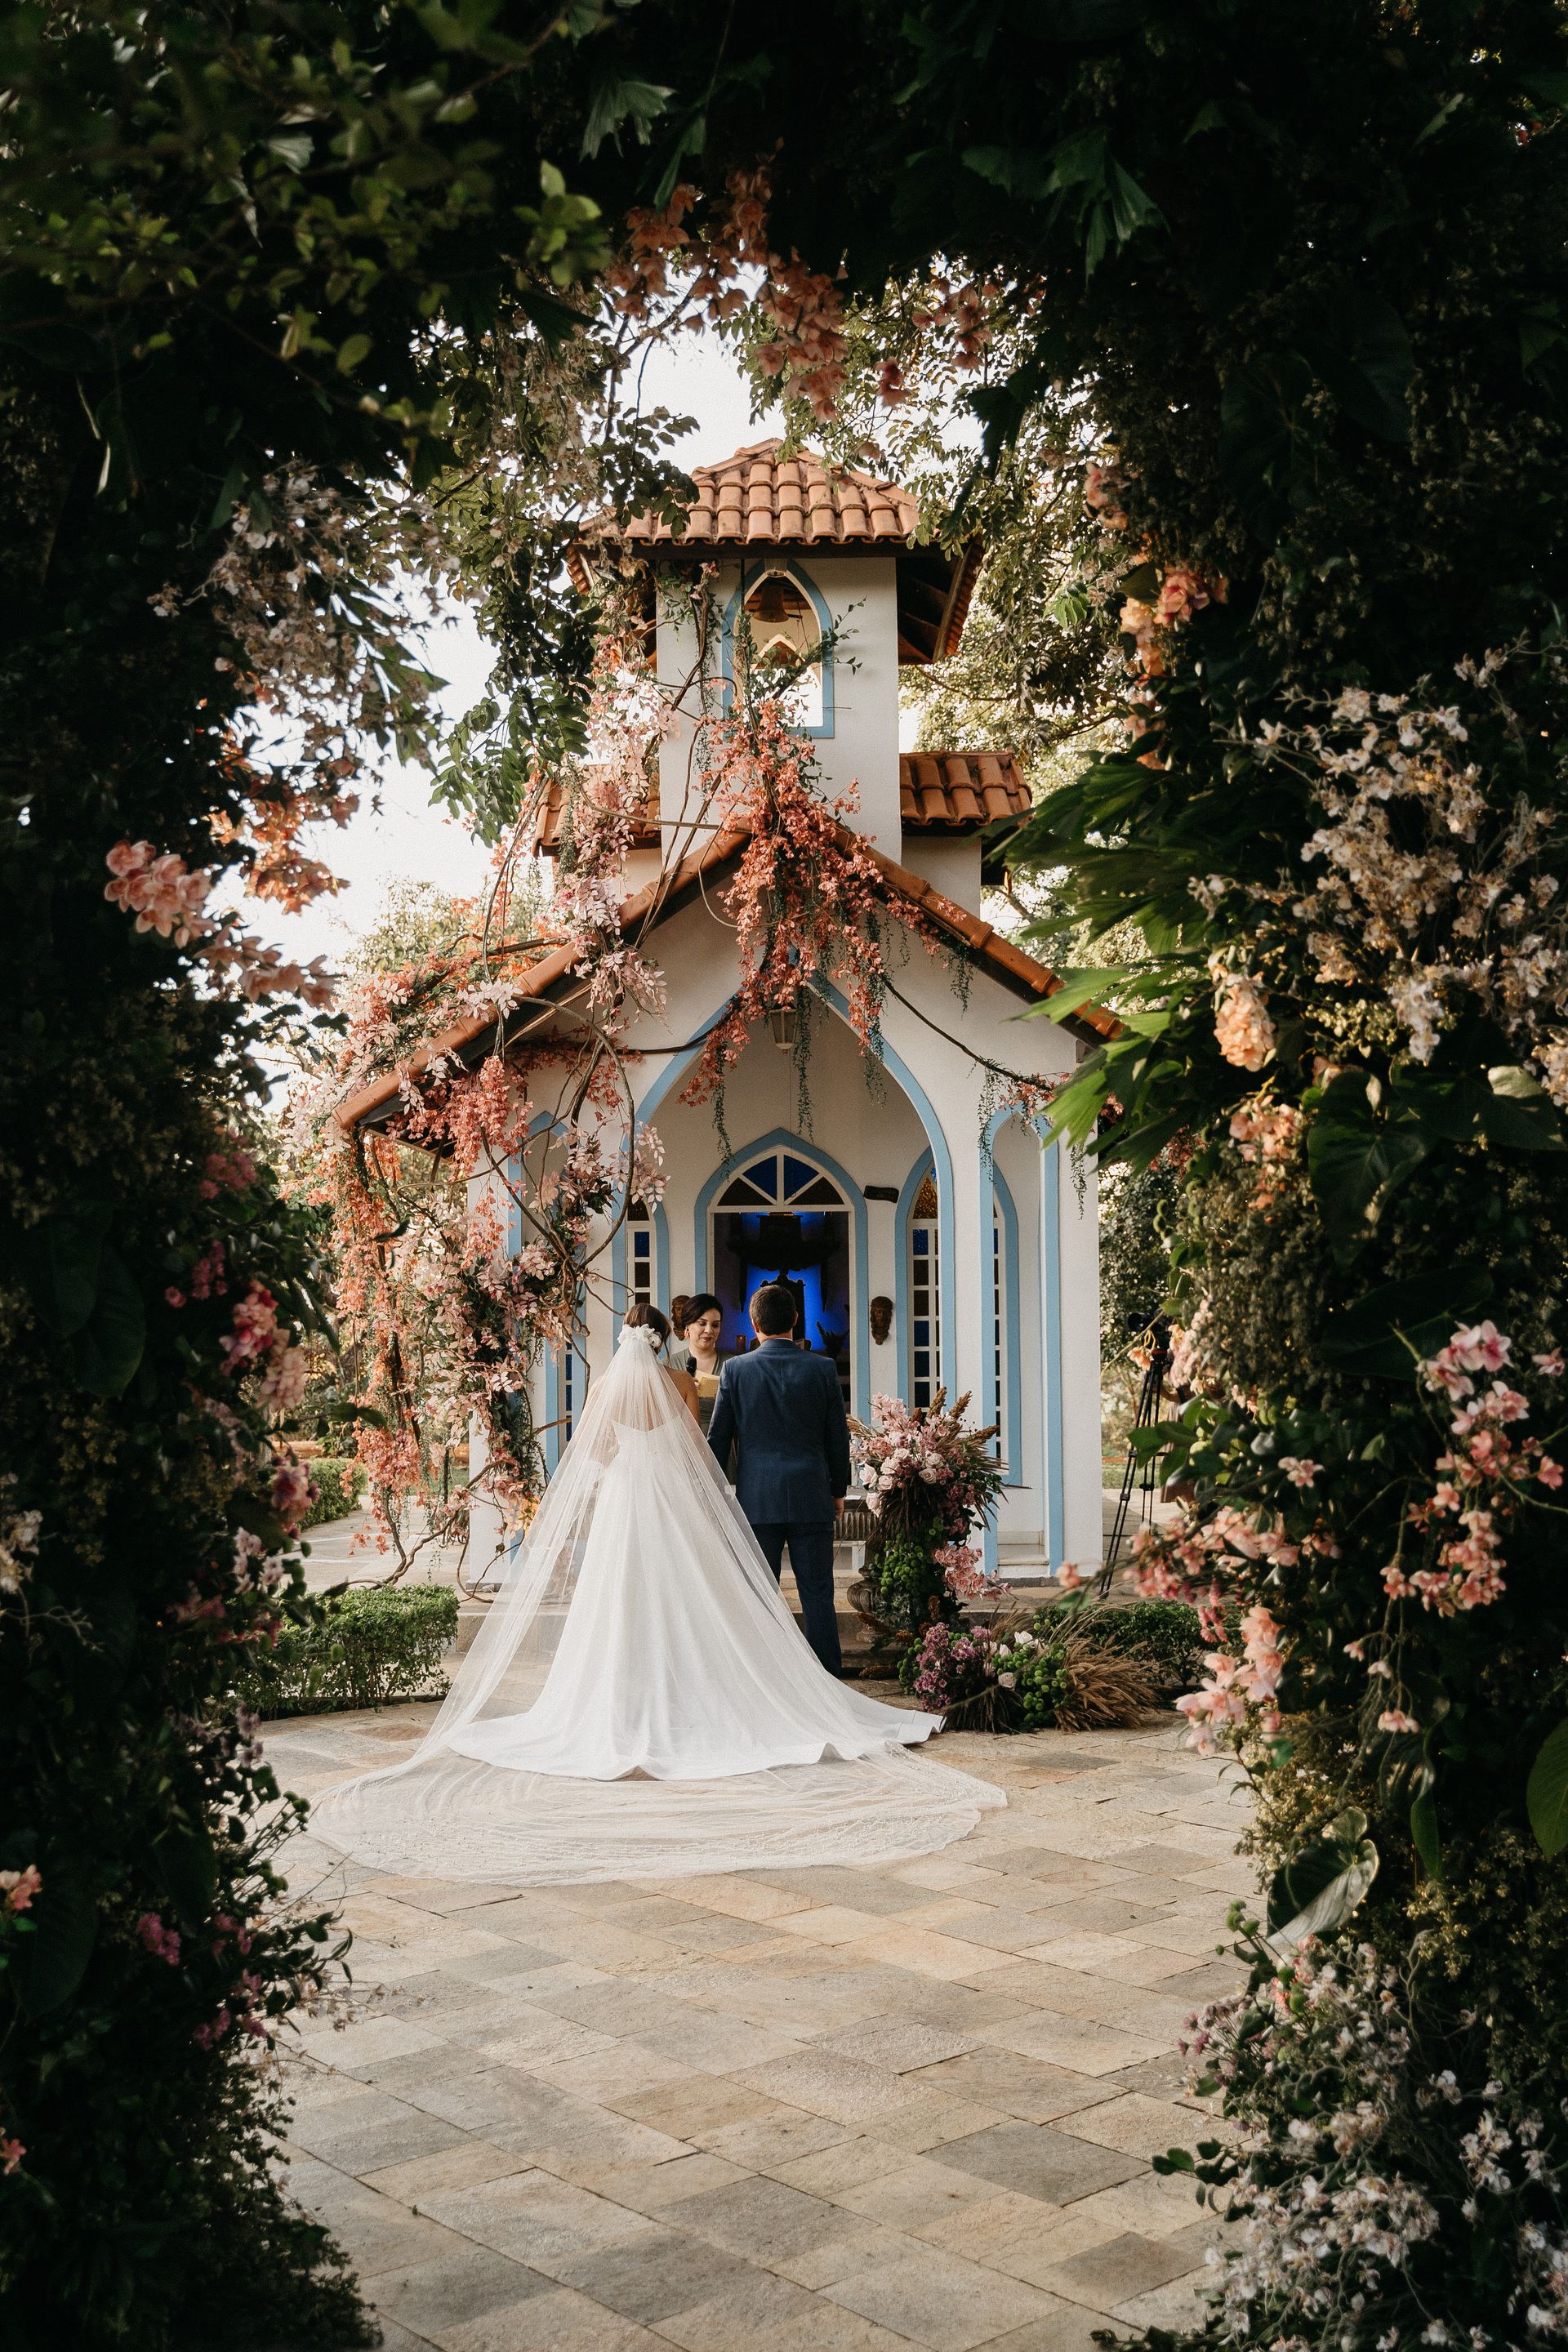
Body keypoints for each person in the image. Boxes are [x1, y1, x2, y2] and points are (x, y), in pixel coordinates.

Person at [307, 1298, 1003, 1887]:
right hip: (701, 1498)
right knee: (758, 1598)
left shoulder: (634, 1384)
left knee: (638, 1601)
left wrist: (690, 1477)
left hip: (639, 1503)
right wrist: (757, 1490)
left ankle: (647, 1688)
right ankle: (794, 1680)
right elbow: (713, 1449)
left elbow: (604, 1451)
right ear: (668, 1339)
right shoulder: (689, 1384)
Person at [705, 1283, 849, 1675]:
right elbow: (838, 1435)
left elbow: (717, 1439)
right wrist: (838, 1491)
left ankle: (766, 1681)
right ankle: (829, 1683)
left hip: (757, 1498)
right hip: (811, 1493)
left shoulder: (735, 1369)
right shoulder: (822, 1368)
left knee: (760, 1595)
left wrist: (711, 1492)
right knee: (818, 1594)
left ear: (753, 1324)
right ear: (796, 1320)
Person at [675, 1290, 727, 1436]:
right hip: (682, 1443)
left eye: (715, 1325)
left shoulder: (732, 1364)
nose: (709, 1330)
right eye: (702, 1323)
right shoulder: (669, 1364)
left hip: (722, 1442)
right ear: (687, 1327)